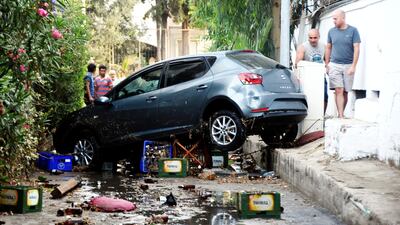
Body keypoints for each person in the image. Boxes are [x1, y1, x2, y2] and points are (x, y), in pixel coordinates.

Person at [325, 9, 361, 118]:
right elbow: (328, 48)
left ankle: (341, 112)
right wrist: (327, 64)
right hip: (334, 64)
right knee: (338, 89)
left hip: (349, 65)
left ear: (343, 18)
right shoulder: (331, 31)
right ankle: (340, 115)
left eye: (335, 18)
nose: (333, 21)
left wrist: (354, 66)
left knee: (345, 91)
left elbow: (357, 48)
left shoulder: (353, 31)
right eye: (333, 19)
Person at [295, 29, 328, 113]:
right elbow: (297, 64)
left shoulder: (324, 46)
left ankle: (322, 116)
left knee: (324, 97)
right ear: (308, 37)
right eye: (311, 38)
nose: (313, 40)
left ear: (319, 37)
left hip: (320, 76)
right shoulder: (303, 47)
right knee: (309, 97)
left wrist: (327, 69)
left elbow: (327, 62)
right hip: (308, 77)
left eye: (315, 38)